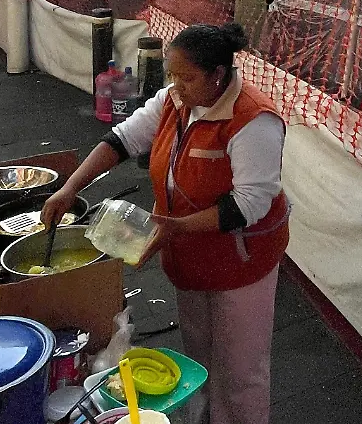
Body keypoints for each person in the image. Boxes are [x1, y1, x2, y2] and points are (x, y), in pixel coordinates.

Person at [42, 23, 288, 424]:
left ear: (218, 75)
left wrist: (173, 227)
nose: (176, 85)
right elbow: (122, 140)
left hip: (242, 261)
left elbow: (248, 205)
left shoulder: (253, 121)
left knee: (241, 369)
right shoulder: (174, 100)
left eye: (186, 77)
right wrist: (69, 188)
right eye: (172, 75)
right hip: (190, 257)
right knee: (201, 355)